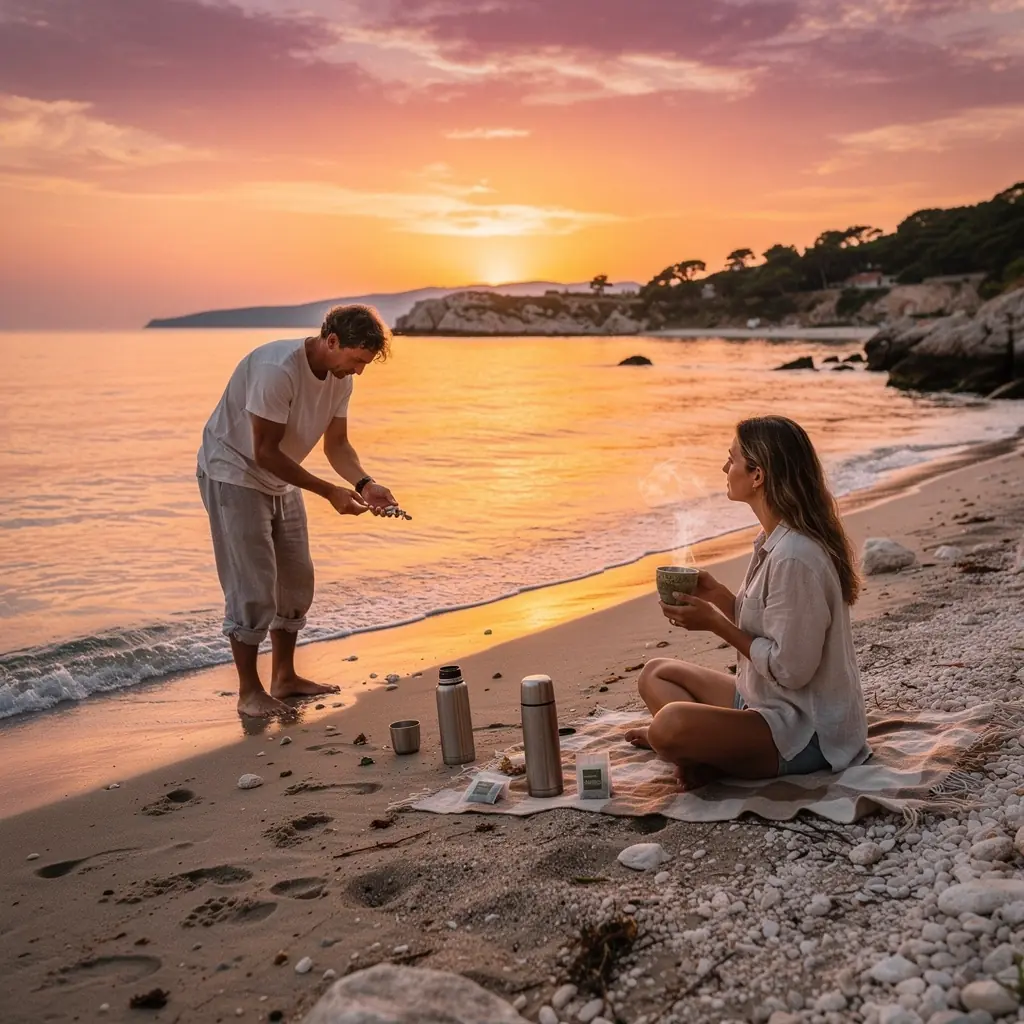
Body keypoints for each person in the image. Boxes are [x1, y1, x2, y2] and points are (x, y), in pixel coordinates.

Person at [625, 415, 870, 781]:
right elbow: (772, 626)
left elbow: (791, 669)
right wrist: (719, 596)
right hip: (766, 702)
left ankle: (696, 750)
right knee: (655, 673)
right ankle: (703, 752)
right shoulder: (772, 541)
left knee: (669, 724)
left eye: (733, 459)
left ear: (757, 475)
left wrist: (716, 625)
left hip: (806, 732)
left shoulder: (794, 557)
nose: (725, 467)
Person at [197, 304, 398, 718]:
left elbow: (337, 445)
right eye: (357, 359)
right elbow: (264, 451)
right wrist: (328, 492)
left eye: (365, 363)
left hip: (281, 475)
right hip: (233, 472)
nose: (359, 371)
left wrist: (364, 483)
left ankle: (284, 678)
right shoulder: (277, 368)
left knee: (296, 579)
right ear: (332, 341)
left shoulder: (340, 379)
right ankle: (249, 693)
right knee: (252, 587)